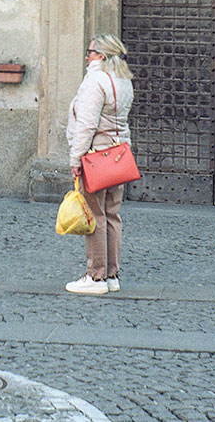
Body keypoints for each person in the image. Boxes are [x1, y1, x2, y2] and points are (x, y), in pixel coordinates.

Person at [64, 33, 135, 295]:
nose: (87, 56)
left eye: (90, 51)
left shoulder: (95, 81)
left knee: (94, 215)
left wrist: (75, 159)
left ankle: (96, 278)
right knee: (112, 215)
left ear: (101, 56)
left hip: (95, 157)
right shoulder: (123, 80)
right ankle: (112, 275)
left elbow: (86, 125)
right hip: (117, 157)